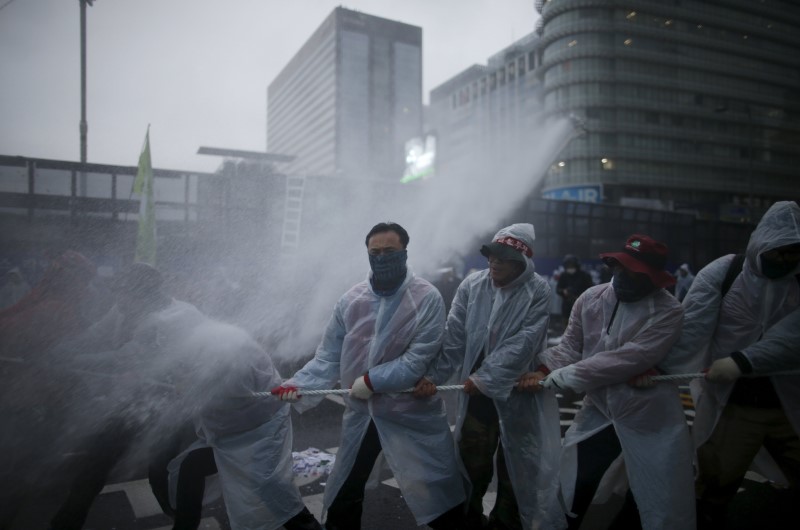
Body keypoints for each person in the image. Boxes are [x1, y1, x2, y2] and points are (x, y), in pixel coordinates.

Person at [46, 262, 320, 530]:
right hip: (169, 403)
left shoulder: (177, 322)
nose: (117, 300)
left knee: (177, 473)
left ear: (140, 295)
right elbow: (101, 336)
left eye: (122, 294)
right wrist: (65, 352)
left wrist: (75, 358)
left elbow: (125, 360)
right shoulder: (129, 309)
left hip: (211, 411)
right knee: (131, 460)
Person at [271, 222, 467, 530]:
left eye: (389, 251)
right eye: (374, 252)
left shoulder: (425, 298)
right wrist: (298, 384)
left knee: (437, 486)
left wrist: (371, 381)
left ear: (404, 252)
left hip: (410, 412)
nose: (381, 257)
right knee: (346, 487)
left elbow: (417, 359)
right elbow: (328, 356)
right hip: (364, 414)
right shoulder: (352, 300)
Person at [520, 234, 696, 529]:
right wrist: (543, 369)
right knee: (576, 477)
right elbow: (570, 346)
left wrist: (567, 376)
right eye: (622, 268)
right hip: (600, 408)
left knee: (654, 491)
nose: (626, 276)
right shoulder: (591, 298)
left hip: (648, 414)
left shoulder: (668, 311)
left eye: (636, 273)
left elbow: (630, 358)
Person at [416, 223, 564, 530]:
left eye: (503, 258)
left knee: (517, 467)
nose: (494, 262)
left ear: (521, 261)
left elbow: (525, 340)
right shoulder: (472, 285)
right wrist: (433, 376)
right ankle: (468, 521)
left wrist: (487, 376)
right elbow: (454, 335)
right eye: (491, 256)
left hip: (519, 391)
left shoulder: (538, 289)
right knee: (472, 462)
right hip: (477, 395)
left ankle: (505, 523)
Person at [664, 200, 800, 529]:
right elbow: (691, 331)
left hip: (792, 404)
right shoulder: (725, 273)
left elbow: (793, 338)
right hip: (733, 406)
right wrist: (658, 372)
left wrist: (741, 360)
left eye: (793, 252)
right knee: (713, 482)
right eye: (778, 251)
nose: (784, 259)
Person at [0, 250, 97, 530]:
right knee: (19, 470)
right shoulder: (52, 305)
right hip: (28, 400)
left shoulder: (52, 306)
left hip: (30, 400)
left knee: (19, 470)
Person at [555, 255, 594, 333]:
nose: (570, 268)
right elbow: (558, 289)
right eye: (568, 266)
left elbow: (591, 289)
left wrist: (580, 296)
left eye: (572, 265)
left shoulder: (584, 275)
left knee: (581, 330)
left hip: (581, 307)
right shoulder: (564, 275)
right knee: (567, 331)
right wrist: (563, 291)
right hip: (567, 308)